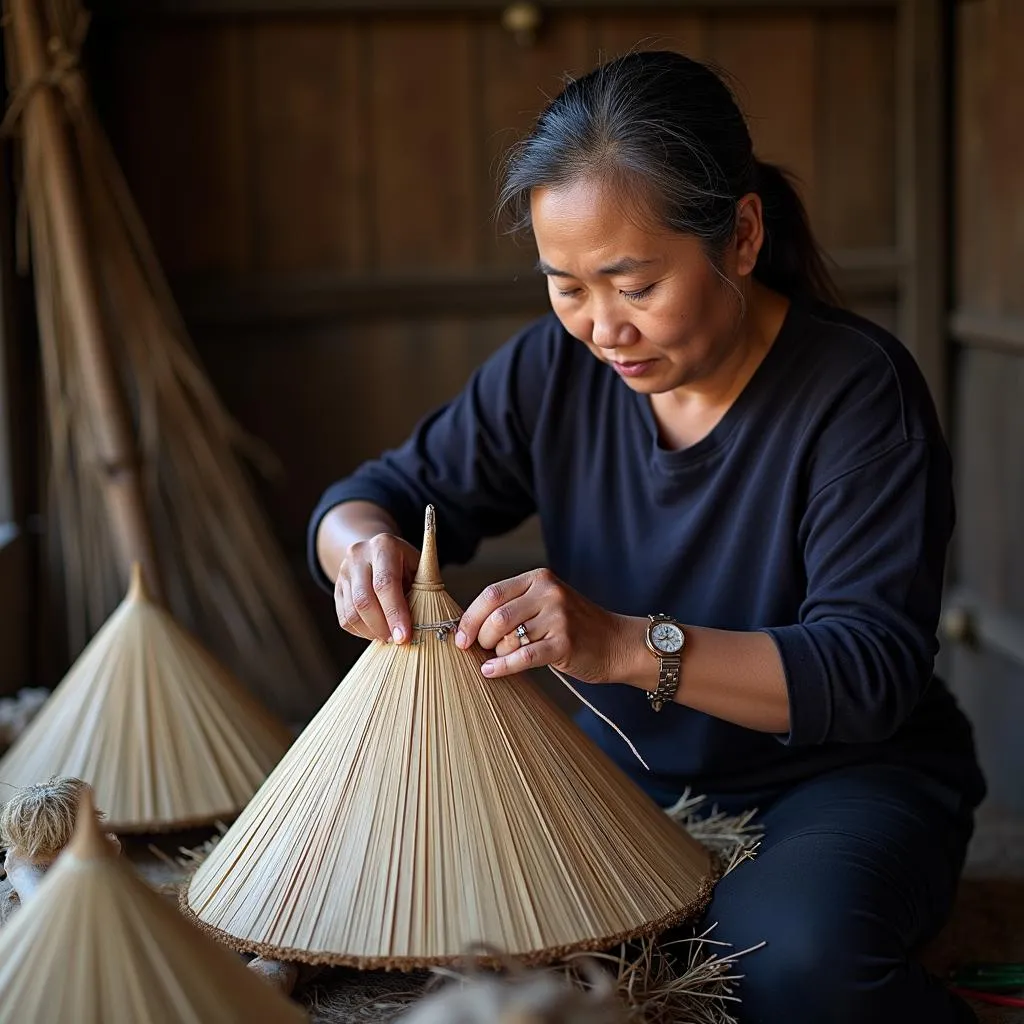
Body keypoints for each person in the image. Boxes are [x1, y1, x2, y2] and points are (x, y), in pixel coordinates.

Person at [307, 51, 985, 1024]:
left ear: (741, 234)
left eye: (632, 283)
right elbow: (373, 493)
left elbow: (867, 668)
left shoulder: (856, 394)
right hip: (633, 770)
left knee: (783, 957)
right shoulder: (554, 370)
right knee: (441, 908)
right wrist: (358, 550)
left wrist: (625, 644)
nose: (600, 327)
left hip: (841, 776)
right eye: (566, 285)